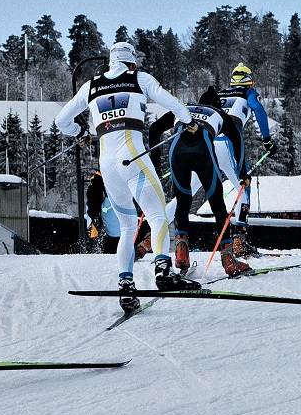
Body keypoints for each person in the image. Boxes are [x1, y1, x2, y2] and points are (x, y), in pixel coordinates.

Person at [55, 42, 196, 315]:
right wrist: (187, 120)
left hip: (106, 163)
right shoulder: (138, 78)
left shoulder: (91, 85)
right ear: (131, 62)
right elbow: (173, 103)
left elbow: (62, 120)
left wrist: (79, 133)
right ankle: (163, 270)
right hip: (133, 155)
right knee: (156, 216)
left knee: (127, 227)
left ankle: (126, 285)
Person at [151, 104, 253, 278]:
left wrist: (156, 165)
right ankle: (228, 259)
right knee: (217, 205)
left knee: (183, 201)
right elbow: (237, 139)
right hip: (203, 149)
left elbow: (154, 129)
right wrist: (242, 172)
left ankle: (181, 252)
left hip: (177, 151)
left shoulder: (183, 107)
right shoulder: (219, 113)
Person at [199, 63, 275, 257]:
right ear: (250, 82)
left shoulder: (221, 94)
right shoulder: (247, 94)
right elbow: (258, 109)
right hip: (226, 144)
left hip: (205, 142)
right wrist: (267, 140)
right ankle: (240, 240)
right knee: (244, 186)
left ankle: (151, 236)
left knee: (185, 193)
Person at [86, 171, 120, 254]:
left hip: (110, 229)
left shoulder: (98, 184)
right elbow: (93, 208)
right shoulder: (98, 185)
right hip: (109, 230)